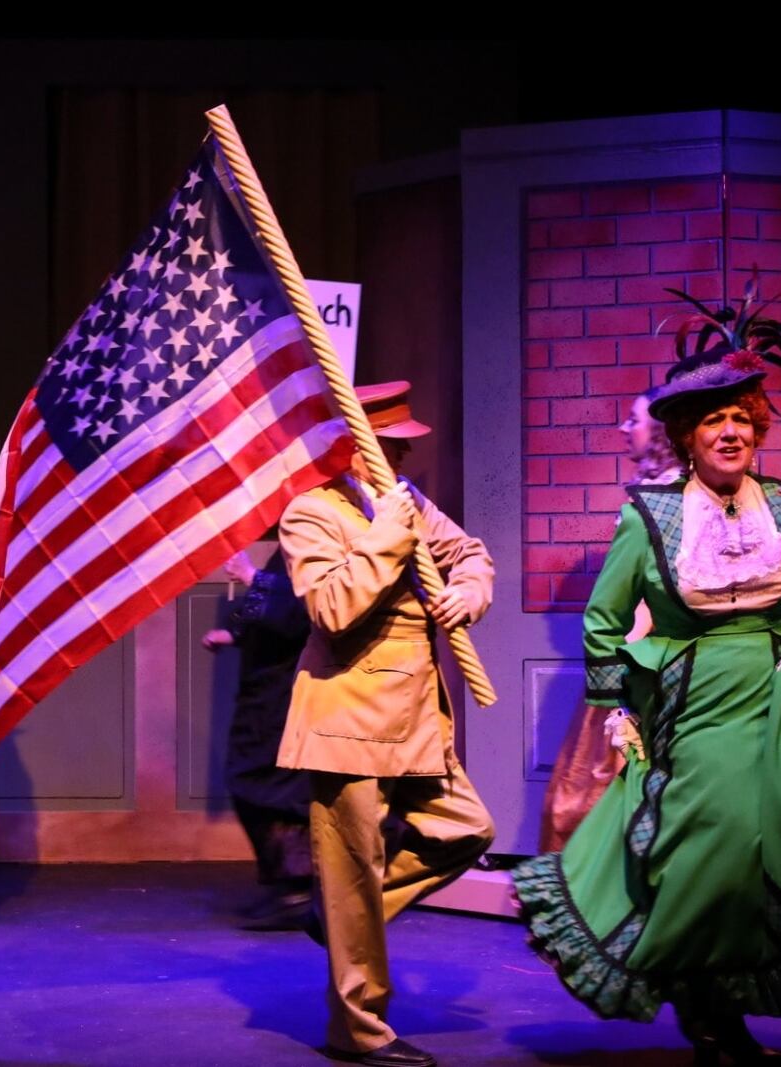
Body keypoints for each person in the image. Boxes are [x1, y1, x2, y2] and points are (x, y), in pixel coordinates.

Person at [509, 313, 781, 1065]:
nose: (730, 432)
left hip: (778, 695)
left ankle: (721, 1009)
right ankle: (701, 1000)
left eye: (742, 419)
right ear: (686, 435)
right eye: (714, 420)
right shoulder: (650, 514)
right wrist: (618, 705)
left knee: (770, 844)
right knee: (711, 839)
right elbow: (605, 617)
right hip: (691, 697)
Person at [277, 380, 496, 1067]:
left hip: (416, 719)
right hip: (347, 717)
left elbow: (471, 554)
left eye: (404, 446)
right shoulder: (312, 513)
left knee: (467, 830)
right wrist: (389, 535)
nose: (402, 457)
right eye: (392, 444)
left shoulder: (407, 503)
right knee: (350, 873)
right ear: (355, 446)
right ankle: (360, 1031)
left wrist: (468, 592)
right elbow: (333, 610)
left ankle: (341, 918)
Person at [538, 389, 683, 852]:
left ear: (660, 431)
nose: (624, 429)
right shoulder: (661, 491)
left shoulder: (663, 499)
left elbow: (651, 590)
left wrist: (625, 666)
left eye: (634, 420)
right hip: (643, 648)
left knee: (601, 783)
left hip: (646, 654)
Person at [201, 544, 313, 930]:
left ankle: (297, 889)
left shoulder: (317, 545)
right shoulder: (289, 547)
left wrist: (253, 578)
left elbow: (310, 612)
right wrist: (234, 634)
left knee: (274, 786)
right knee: (253, 778)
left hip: (289, 692)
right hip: (266, 688)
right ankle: (288, 886)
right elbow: (275, 618)